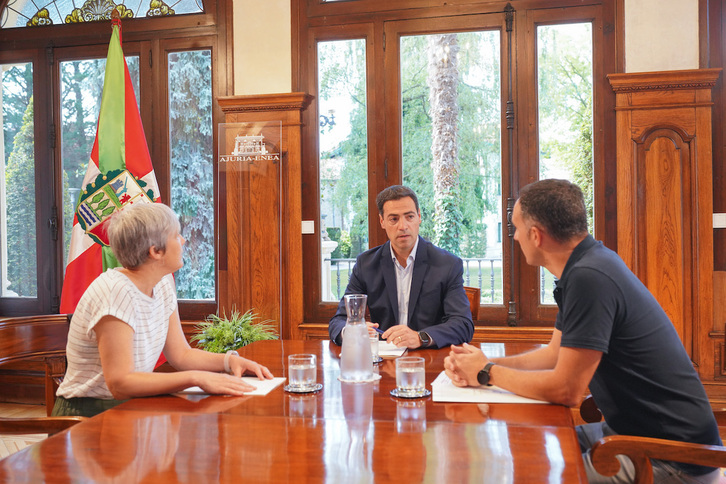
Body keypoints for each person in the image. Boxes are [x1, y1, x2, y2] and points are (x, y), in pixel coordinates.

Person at [443, 179, 722, 483]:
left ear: (536, 236)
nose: (515, 237)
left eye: (516, 229)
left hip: (671, 459)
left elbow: (567, 391)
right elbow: (553, 354)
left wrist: (486, 372)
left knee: (523, 474)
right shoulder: (588, 264)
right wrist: (481, 363)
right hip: (630, 435)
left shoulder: (589, 277)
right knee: (526, 450)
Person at [53, 202, 273, 417]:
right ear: (156, 251)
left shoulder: (162, 281)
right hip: (88, 415)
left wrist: (230, 361)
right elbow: (120, 383)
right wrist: (195, 378)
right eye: (176, 235)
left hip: (129, 408)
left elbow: (181, 355)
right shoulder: (115, 292)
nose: (184, 240)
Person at [328, 185, 474, 349]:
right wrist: (352, 331)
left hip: (429, 360)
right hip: (383, 361)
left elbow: (463, 324)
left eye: (409, 216)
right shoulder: (366, 264)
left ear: (419, 217)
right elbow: (338, 321)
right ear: (382, 221)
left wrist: (421, 337)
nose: (403, 226)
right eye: (394, 219)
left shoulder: (447, 264)